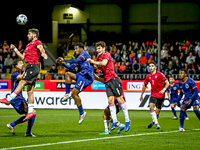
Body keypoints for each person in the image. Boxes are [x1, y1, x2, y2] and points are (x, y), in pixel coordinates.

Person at [0, 28, 48, 122]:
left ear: (34, 35)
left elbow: (41, 48)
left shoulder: (37, 42)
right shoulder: (27, 45)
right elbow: (23, 57)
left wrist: (43, 53)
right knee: (30, 91)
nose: (27, 35)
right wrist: (15, 49)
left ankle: (9, 98)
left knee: (22, 82)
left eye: (29, 34)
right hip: (30, 67)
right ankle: (30, 111)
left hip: (33, 67)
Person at [87, 41, 131, 132]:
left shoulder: (106, 54)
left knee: (119, 99)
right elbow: (97, 66)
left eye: (99, 48)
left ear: (103, 48)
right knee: (110, 101)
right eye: (97, 48)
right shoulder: (99, 57)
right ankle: (114, 121)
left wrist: (92, 61)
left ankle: (127, 120)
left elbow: (103, 63)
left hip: (113, 79)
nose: (98, 50)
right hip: (107, 81)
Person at [56, 42, 94, 124]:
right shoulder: (79, 58)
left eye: (77, 48)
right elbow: (71, 67)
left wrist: (64, 59)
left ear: (81, 48)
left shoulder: (85, 53)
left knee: (75, 94)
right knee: (67, 74)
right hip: (81, 75)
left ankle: (82, 113)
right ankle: (67, 94)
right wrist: (63, 63)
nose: (75, 50)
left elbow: (76, 60)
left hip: (86, 76)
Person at [2, 59, 36, 137]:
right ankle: (27, 132)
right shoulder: (14, 74)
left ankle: (13, 125)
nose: (22, 64)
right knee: (32, 113)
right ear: (16, 66)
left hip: (19, 99)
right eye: (20, 63)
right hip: (16, 99)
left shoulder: (22, 71)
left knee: (32, 113)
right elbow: (21, 77)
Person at [140, 61, 169, 129]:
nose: (151, 67)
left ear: (155, 67)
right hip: (153, 94)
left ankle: (153, 122)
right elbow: (145, 85)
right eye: (150, 66)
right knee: (151, 107)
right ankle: (157, 124)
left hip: (161, 95)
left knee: (157, 113)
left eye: (152, 66)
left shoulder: (160, 74)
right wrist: (142, 95)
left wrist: (163, 90)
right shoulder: (148, 76)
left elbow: (167, 83)